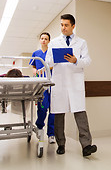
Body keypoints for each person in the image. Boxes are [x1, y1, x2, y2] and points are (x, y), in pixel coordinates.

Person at [45, 14, 97, 157]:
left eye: (66, 25)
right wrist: (55, 59)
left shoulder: (81, 42)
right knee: (59, 115)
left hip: (75, 82)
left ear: (73, 26)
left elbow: (87, 61)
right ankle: (61, 144)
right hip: (60, 82)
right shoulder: (54, 42)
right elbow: (47, 62)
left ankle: (86, 145)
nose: (63, 28)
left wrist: (75, 60)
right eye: (62, 25)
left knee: (80, 113)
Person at [30, 32, 55, 144]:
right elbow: (33, 66)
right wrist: (35, 71)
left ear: (49, 41)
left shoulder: (51, 53)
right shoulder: (36, 53)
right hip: (41, 85)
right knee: (43, 108)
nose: (44, 40)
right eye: (42, 38)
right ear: (40, 40)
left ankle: (51, 134)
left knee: (53, 110)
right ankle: (39, 127)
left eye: (46, 39)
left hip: (52, 83)